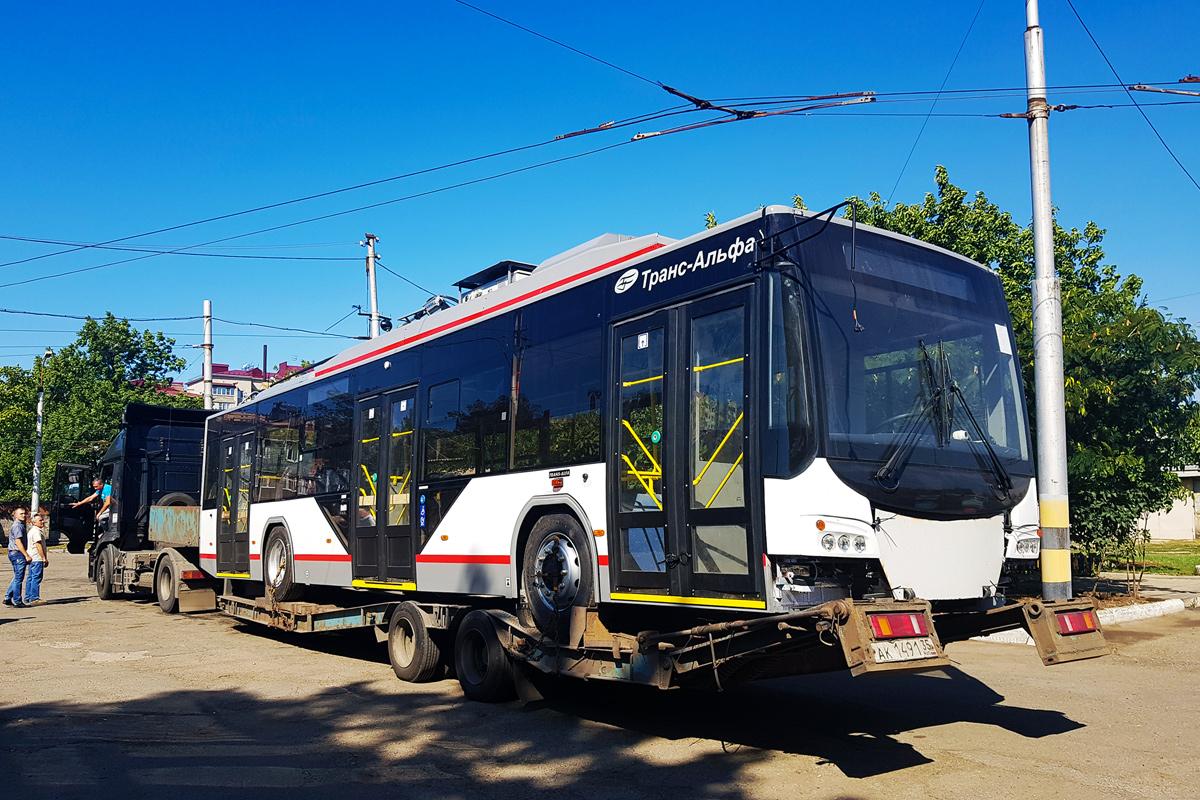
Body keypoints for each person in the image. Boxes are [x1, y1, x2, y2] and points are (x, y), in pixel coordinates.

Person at [4, 507, 30, 608]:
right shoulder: (18, 526)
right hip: (17, 554)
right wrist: (26, 555)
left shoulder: (19, 525)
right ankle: (17, 600)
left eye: (24, 514)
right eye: (21, 514)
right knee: (19, 578)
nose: (23, 515)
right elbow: (18, 542)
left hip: (14, 553)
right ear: (15, 516)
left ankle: (7, 597)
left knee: (17, 577)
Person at [25, 513, 48, 605]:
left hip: (32, 558)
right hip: (36, 558)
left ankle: (28, 596)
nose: (42, 522)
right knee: (36, 578)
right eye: (40, 520)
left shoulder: (32, 531)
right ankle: (34, 597)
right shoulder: (36, 532)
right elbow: (38, 545)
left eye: (42, 520)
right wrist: (43, 558)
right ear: (34, 523)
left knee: (30, 577)